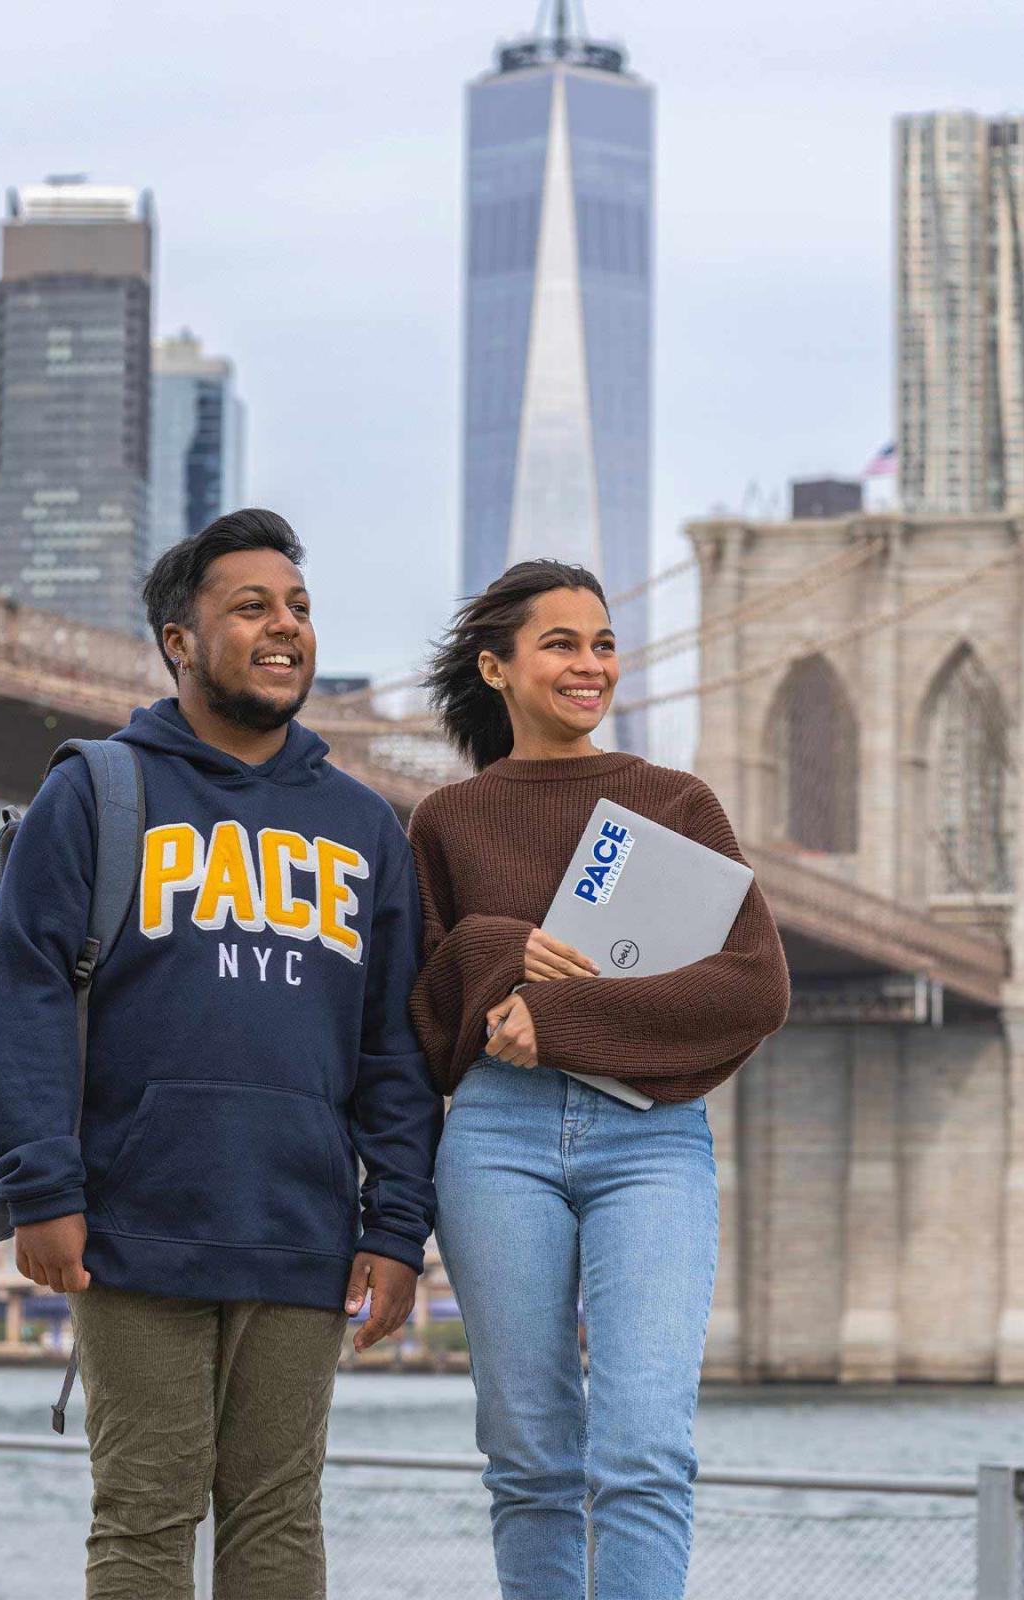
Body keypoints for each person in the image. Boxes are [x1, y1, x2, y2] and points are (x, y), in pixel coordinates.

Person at [0, 509, 441, 1598]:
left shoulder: (365, 825)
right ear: (178, 641)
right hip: (132, 1222)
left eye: (300, 608)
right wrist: (41, 1189)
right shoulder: (94, 792)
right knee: (145, 1512)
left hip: (302, 1227)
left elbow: (393, 1049)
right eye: (252, 607)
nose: (286, 627)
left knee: (280, 1520)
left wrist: (396, 1226)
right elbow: (21, 997)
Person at [407, 558, 790, 1600]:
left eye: (605, 643)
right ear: (494, 667)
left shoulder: (675, 802)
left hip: (651, 1139)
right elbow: (419, 1009)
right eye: (562, 644)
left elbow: (755, 986)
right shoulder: (445, 819)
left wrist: (564, 1018)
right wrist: (500, 948)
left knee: (644, 1449)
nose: (591, 665)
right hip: (496, 1139)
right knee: (527, 1454)